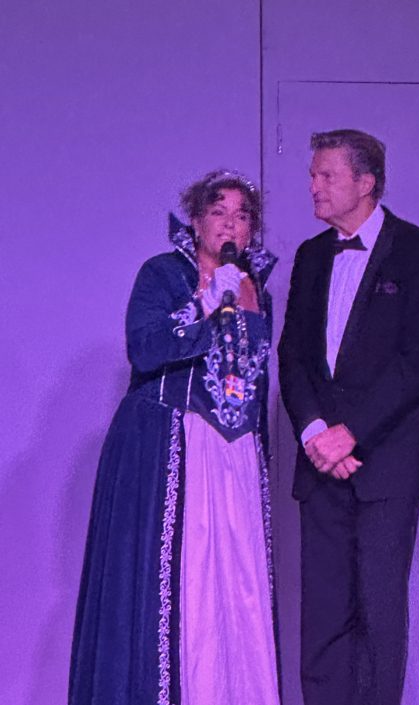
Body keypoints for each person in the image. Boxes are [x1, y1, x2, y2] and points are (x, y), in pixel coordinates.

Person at [69, 170, 281, 705]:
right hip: (170, 443)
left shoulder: (258, 288)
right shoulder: (163, 274)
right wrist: (208, 305)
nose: (230, 225)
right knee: (177, 579)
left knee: (238, 585)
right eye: (218, 213)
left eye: (241, 216)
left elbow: (254, 379)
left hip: (235, 455)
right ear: (195, 220)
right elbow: (145, 349)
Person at [278, 129, 419, 705]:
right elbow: (293, 356)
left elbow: (417, 360)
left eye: (326, 175)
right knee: (323, 617)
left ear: (366, 182)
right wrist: (314, 434)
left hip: (387, 464)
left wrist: (349, 433)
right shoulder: (310, 256)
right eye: (312, 175)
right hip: (320, 464)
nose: (313, 186)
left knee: (380, 613)